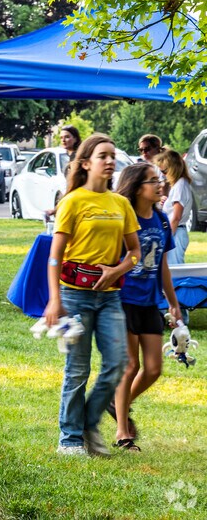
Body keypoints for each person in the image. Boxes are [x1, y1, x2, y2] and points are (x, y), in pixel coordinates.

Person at [44, 133, 140, 457]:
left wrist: (117, 270)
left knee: (118, 363)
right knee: (78, 368)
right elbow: (55, 255)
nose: (111, 160)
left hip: (110, 297)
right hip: (74, 296)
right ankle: (69, 439)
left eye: (113, 155)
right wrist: (55, 299)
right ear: (86, 163)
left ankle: (87, 421)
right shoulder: (73, 202)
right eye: (103, 156)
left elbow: (136, 252)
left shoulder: (121, 204)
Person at [110, 163, 184, 452]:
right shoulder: (123, 219)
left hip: (150, 302)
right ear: (137, 188)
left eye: (160, 179)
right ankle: (122, 433)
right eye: (153, 181)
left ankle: (117, 403)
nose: (160, 184)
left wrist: (173, 304)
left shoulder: (162, 220)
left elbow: (163, 265)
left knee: (153, 369)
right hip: (124, 300)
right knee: (130, 366)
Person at [155, 149, 193, 265]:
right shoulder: (180, 184)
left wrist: (167, 239)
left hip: (176, 232)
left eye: (165, 171)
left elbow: (176, 217)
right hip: (176, 232)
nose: (163, 174)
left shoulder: (180, 185)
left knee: (175, 272)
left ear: (173, 168)